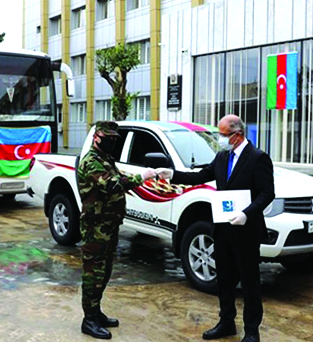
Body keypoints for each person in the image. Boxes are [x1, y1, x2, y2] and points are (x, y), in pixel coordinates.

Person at [157, 114, 275, 342]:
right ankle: (226, 322)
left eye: (222, 135)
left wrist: (246, 214)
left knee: (249, 282)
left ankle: (252, 331)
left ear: (237, 135)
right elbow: (201, 176)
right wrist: (172, 175)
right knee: (225, 279)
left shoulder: (258, 158)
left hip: (246, 231)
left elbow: (267, 194)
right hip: (223, 229)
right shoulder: (222, 157)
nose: (219, 139)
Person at [77, 121, 157, 339]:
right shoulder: (92, 161)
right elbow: (112, 184)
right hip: (96, 227)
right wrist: (143, 176)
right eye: (108, 138)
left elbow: (118, 181)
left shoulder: (105, 158)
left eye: (114, 139)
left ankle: (96, 311)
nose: (112, 142)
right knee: (93, 273)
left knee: (105, 271)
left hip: (108, 225)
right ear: (96, 137)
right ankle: (89, 320)